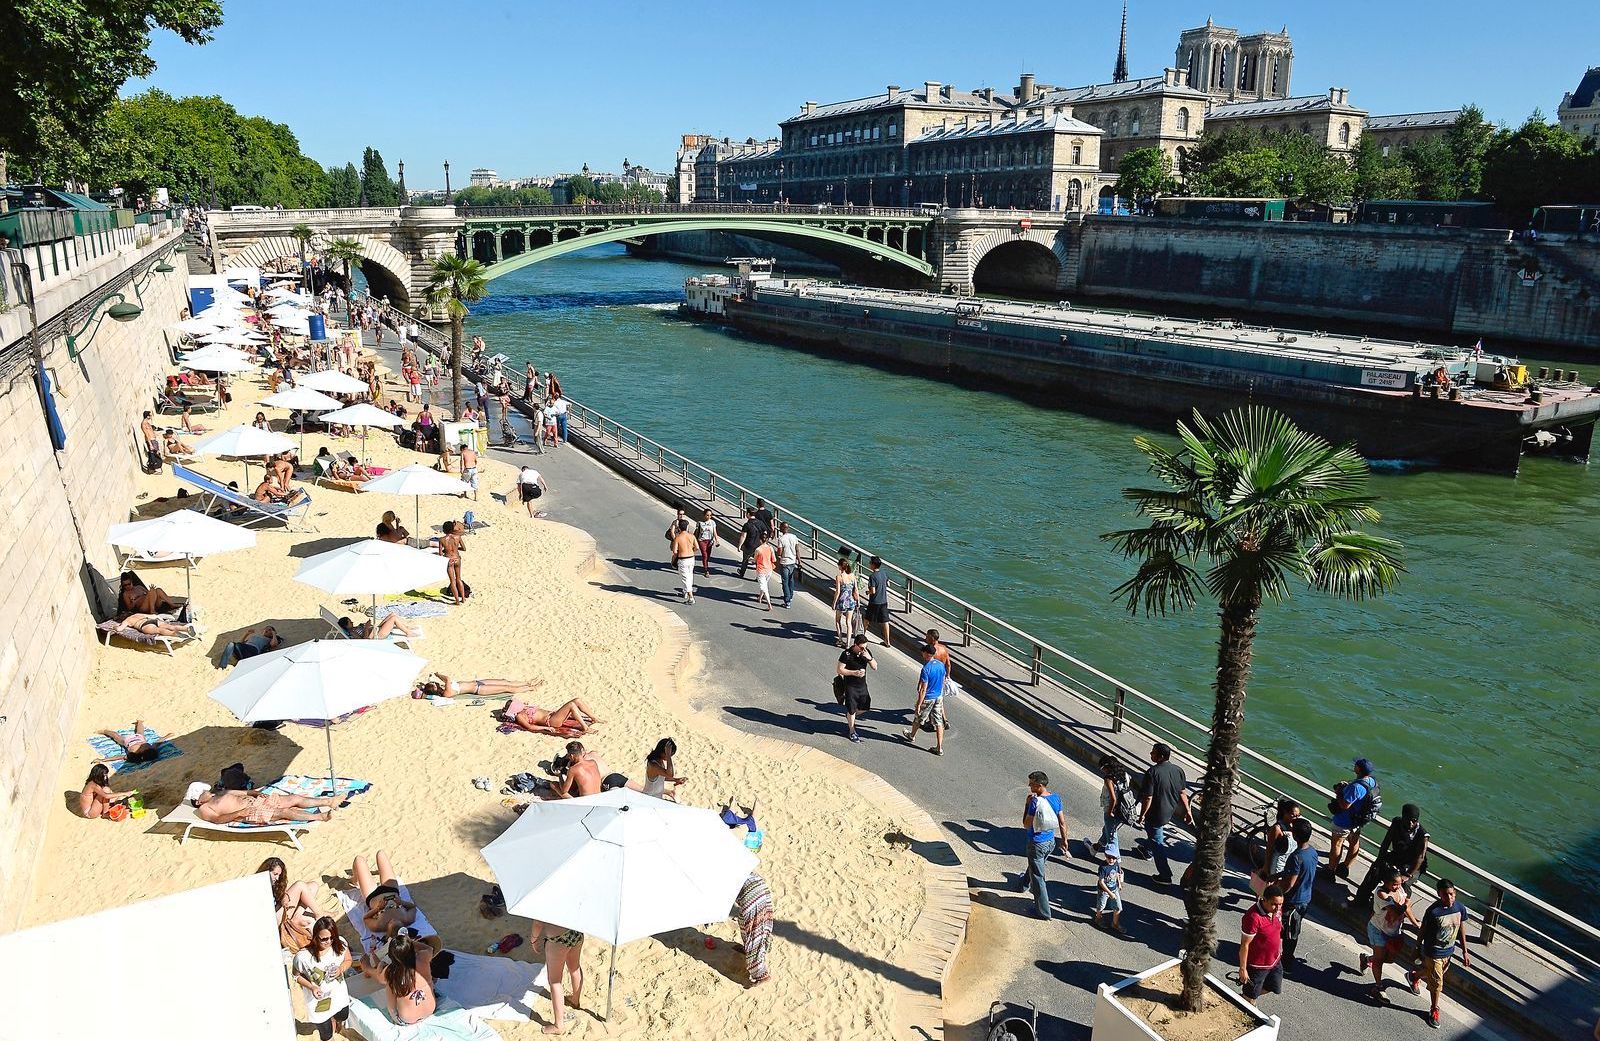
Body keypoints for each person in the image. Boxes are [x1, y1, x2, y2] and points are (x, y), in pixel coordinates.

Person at [1409, 878, 1471, 1029]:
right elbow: (1422, 930)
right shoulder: (1433, 911)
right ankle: (1434, 1009)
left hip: (1449, 952)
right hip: (1434, 952)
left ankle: (1414, 976)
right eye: (1445, 895)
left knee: (1436, 974)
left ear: (1455, 893)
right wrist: (1417, 948)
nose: (1449, 898)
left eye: (1451, 894)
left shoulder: (1460, 908)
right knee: (1437, 983)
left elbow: (1461, 929)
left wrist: (1465, 951)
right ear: (1439, 894)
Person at [1353, 803, 1430, 908]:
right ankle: (1360, 899)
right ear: (1403, 817)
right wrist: (1379, 861)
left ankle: (1398, 909)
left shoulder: (1422, 835)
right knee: (1375, 871)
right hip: (1397, 856)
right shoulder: (1396, 823)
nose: (1411, 823)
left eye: (1414, 820)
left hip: (1412, 864)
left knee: (1402, 884)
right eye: (1408, 820)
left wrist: (1407, 875)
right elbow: (1386, 843)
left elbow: (1420, 858)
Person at [1362, 870, 1420, 1005]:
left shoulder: (1400, 890)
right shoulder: (1381, 894)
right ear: (1386, 882)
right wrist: (1407, 904)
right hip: (1378, 930)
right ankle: (1379, 987)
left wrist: (1415, 923)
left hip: (1394, 932)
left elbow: (1406, 909)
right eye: (1394, 884)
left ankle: (1367, 959)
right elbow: (1396, 911)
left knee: (1390, 959)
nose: (1398, 887)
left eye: (1399, 884)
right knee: (1380, 960)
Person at [1136, 742, 1191, 884]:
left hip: (1155, 813)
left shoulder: (1152, 772)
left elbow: (1148, 797)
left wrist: (1142, 815)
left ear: (1160, 757)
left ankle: (1165, 875)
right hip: (1168, 812)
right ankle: (1146, 850)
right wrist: (1188, 811)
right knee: (1154, 833)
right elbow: (1182, 793)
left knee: (1157, 841)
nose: (1150, 754)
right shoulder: (1178, 770)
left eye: (1153, 752)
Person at [293, 915, 352, 1040]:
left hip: (338, 995)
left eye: (332, 937)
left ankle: (334, 1020)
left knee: (343, 1016)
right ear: (315, 937)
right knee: (326, 1035)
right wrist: (311, 987)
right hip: (318, 1002)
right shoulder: (303, 957)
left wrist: (340, 969)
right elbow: (296, 976)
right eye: (324, 939)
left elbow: (348, 960)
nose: (329, 942)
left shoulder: (340, 944)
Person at [1019, 770, 1067, 919]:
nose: (1029, 786)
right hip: (1050, 842)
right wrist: (1064, 841)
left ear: (1039, 785)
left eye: (1032, 784)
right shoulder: (1056, 798)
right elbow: (1062, 822)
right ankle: (1023, 884)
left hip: (1036, 843)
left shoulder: (1035, 802)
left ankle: (1043, 912)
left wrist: (1027, 805)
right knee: (1036, 865)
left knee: (1039, 878)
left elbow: (1026, 824)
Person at [1276, 819, 1320, 971]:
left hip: (1293, 901)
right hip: (1305, 898)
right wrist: (1280, 874)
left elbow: (1289, 883)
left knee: (1289, 933)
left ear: (1295, 836)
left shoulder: (1296, 857)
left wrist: (1276, 893)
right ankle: (1287, 956)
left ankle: (1286, 962)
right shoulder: (1312, 852)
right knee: (1293, 930)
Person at [528, 920, 584, 1033]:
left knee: (555, 981)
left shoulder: (544, 902)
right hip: (576, 931)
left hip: (558, 940)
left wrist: (534, 939)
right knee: (575, 968)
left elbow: (538, 923)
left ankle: (559, 1026)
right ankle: (575, 999)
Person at [1328, 758, 1380, 879]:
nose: (1354, 765)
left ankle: (1330, 870)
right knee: (1354, 842)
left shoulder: (1356, 787)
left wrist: (1339, 791)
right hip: (1358, 820)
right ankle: (1345, 867)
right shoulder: (1372, 782)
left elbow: (1344, 805)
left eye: (1356, 765)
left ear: (1358, 769)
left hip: (1344, 821)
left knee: (1337, 844)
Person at [191, 786, 339, 825]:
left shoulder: (217, 793)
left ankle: (329, 801)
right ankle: (320, 817)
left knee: (293, 798)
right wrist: (238, 814)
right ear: (198, 801)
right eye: (203, 791)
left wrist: (256, 793)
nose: (207, 790)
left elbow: (245, 792)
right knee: (284, 812)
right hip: (248, 812)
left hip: (256, 801)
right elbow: (217, 819)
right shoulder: (204, 809)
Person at [261, 856, 320, 951]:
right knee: (300, 885)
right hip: (272, 920)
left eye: (279, 875)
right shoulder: (259, 886)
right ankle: (319, 914)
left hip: (280, 911)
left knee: (312, 886)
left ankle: (297, 916)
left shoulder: (274, 883)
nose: (277, 878)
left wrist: (283, 897)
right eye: (275, 874)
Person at [1240, 884, 1286, 1000]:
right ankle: (1248, 1000)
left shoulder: (1277, 911)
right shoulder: (1253, 917)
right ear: (1264, 900)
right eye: (1274, 904)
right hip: (1258, 965)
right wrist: (1243, 969)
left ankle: (1245, 998)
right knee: (1250, 996)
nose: (1278, 908)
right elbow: (1245, 945)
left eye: (1280, 904)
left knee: (1274, 986)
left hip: (1274, 960)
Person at [382, 933, 437, 1026]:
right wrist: (411, 942)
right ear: (412, 950)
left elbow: (392, 1006)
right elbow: (429, 948)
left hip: (408, 1019)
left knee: (389, 986)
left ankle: (397, 1016)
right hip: (430, 1010)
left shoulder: (391, 972)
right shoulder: (423, 957)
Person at [903, 643, 947, 755]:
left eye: (923, 652)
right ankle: (939, 747)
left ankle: (911, 735)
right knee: (938, 722)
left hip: (928, 698)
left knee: (918, 718)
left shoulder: (926, 669)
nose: (922, 653)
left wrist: (918, 704)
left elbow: (923, 689)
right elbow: (942, 680)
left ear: (927, 654)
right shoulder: (941, 665)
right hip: (938, 696)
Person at [1252, 799, 1302, 897]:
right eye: (1293, 815)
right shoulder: (1277, 828)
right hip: (1277, 863)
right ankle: (1261, 902)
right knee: (1270, 886)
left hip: (1288, 861)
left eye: (1298, 815)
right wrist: (1266, 867)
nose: (1296, 818)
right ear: (1285, 813)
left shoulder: (1295, 826)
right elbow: (1269, 849)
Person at [733, 872, 775, 987]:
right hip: (758, 884)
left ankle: (761, 975)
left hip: (751, 894)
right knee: (745, 923)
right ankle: (748, 951)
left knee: (754, 933)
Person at [836, 633, 876, 742]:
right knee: (852, 709)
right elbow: (840, 670)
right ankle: (852, 731)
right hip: (850, 686)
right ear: (855, 645)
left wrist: (870, 658)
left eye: (865, 647)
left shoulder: (866, 653)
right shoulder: (846, 654)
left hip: (862, 685)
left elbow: (875, 667)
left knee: (865, 707)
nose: (863, 649)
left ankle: (849, 715)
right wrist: (854, 673)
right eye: (861, 647)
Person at [1095, 757, 1139, 853]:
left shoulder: (1108, 779)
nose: (1102, 770)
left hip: (1112, 809)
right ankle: (1096, 847)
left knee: (1111, 835)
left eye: (1102, 768)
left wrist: (1110, 811)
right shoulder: (1125, 775)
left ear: (1107, 767)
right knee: (1108, 829)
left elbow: (1113, 798)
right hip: (1125, 808)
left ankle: (1115, 859)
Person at [499, 696, 603, 735]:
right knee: (571, 705)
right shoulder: (519, 716)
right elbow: (530, 727)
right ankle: (585, 728)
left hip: (553, 715)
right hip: (551, 721)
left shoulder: (524, 708)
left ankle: (594, 718)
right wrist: (546, 728)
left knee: (577, 700)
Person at [94, 720, 173, 766]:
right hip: (139, 738)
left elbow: (119, 757)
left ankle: (104, 731)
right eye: (147, 746)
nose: (146, 745)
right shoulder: (150, 748)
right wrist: (167, 736)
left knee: (115, 736)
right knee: (140, 731)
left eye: (145, 747)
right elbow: (158, 742)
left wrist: (102, 760)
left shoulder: (134, 753)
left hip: (127, 741)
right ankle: (139, 722)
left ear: (142, 752)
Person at [420, 674, 542, 699]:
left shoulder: (443, 687)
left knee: (505, 682)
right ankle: (531, 688)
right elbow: (447, 678)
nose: (436, 683)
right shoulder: (446, 693)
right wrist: (437, 674)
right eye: (434, 684)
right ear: (435, 689)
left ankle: (527, 683)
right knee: (507, 688)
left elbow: (444, 680)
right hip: (479, 689)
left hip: (478, 682)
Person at [1095, 844, 1127, 935]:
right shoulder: (1103, 867)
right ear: (1105, 855)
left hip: (1114, 889)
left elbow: (1117, 873)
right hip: (1104, 891)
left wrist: (1119, 883)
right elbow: (1101, 882)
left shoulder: (1116, 864)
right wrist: (1109, 893)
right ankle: (1098, 918)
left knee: (1118, 908)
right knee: (1101, 906)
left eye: (1114, 857)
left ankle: (1115, 924)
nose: (1111, 860)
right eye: (1109, 857)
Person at [863, 555, 891, 646]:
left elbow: (873, 591)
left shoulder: (872, 576)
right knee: (885, 622)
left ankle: (862, 635)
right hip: (883, 601)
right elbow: (888, 584)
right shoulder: (884, 573)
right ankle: (887, 641)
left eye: (870, 563)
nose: (869, 564)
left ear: (873, 565)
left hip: (874, 602)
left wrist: (868, 592)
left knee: (867, 619)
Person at [831, 555, 858, 648]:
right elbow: (856, 590)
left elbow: (838, 591)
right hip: (851, 601)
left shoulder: (839, 577)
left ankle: (840, 640)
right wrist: (857, 601)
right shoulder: (852, 576)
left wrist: (834, 603)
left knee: (837, 620)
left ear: (840, 566)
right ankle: (848, 643)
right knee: (848, 623)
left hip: (842, 602)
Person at [339, 612, 420, 641]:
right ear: (346, 625)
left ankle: (406, 627)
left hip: (376, 629)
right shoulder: (352, 632)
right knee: (393, 619)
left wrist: (364, 625)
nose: (352, 622)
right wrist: (366, 627)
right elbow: (365, 640)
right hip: (377, 636)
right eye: (350, 622)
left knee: (393, 614)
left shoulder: (353, 628)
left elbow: (365, 630)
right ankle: (408, 632)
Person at [671, 518, 698, 604]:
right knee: (690, 576)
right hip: (691, 558)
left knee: (685, 578)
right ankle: (686, 591)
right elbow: (697, 547)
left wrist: (673, 560)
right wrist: (691, 551)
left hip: (683, 559)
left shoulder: (678, 538)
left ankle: (691, 597)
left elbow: (675, 551)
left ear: (679, 528)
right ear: (687, 527)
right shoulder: (692, 536)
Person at [440, 520, 467, 604]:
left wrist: (445, 551)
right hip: (457, 558)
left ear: (444, 530)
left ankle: (457, 601)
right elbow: (464, 549)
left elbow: (440, 554)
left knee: (452, 581)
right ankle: (463, 598)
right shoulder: (457, 537)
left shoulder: (442, 540)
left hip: (449, 560)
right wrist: (456, 549)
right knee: (459, 578)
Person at [775, 521, 800, 609]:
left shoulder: (781, 539)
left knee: (784, 582)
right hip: (792, 562)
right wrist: (799, 561)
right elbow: (797, 550)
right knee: (791, 580)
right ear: (788, 528)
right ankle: (791, 596)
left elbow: (780, 552)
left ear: (781, 528)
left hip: (784, 562)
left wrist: (777, 557)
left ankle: (787, 601)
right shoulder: (794, 537)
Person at [736, 507, 765, 581]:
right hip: (758, 546)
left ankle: (742, 573)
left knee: (745, 560)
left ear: (748, 514)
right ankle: (758, 577)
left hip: (748, 546)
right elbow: (765, 533)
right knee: (758, 563)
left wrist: (739, 545)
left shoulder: (747, 525)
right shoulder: (761, 523)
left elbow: (743, 536)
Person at [752, 536, 777, 610]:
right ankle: (760, 597)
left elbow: (755, 560)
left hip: (761, 571)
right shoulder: (770, 548)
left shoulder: (758, 549)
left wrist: (751, 560)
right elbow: (774, 559)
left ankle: (769, 604)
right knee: (764, 584)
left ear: (760, 540)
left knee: (764, 587)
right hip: (769, 570)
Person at [695, 508, 717, 577]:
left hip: (710, 540)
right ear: (704, 515)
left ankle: (705, 564)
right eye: (707, 515)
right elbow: (696, 532)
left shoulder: (712, 522)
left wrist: (717, 540)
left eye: (710, 515)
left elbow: (714, 532)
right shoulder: (700, 522)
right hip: (702, 540)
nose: (709, 517)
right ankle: (706, 570)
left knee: (708, 555)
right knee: (704, 555)